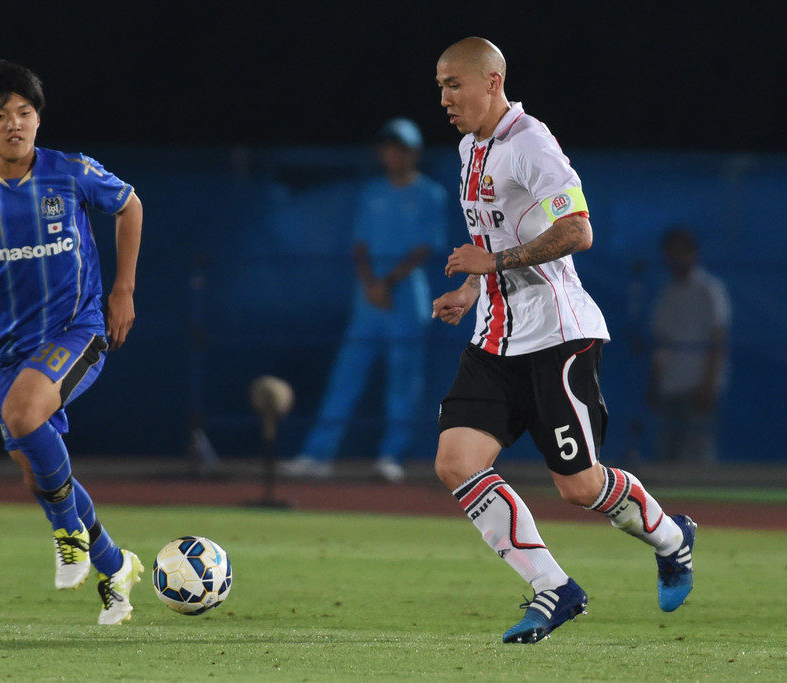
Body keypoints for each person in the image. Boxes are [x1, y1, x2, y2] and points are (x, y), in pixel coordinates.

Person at [431, 37, 696, 644]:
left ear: (492, 82)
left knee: (579, 485)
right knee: (456, 462)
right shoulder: (471, 147)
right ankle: (556, 589)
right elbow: (491, 234)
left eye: (454, 84)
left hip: (557, 336)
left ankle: (673, 538)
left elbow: (578, 230)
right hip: (496, 340)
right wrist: (472, 289)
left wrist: (494, 264)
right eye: (440, 86)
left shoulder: (532, 143)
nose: (444, 98)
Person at [0, 60, 144, 625]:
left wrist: (123, 289)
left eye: (25, 112)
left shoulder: (70, 172)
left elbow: (130, 205)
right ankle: (115, 566)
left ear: (39, 118)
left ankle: (68, 532)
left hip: (77, 330)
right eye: (1, 115)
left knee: (23, 416)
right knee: (34, 471)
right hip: (10, 349)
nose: (15, 124)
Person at [280, 119, 447, 483]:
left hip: (405, 299)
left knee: (403, 382)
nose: (393, 154)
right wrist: (372, 285)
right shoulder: (371, 192)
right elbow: (360, 245)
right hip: (369, 299)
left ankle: (391, 457)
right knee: (345, 377)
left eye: (401, 147)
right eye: (388, 147)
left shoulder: (430, 194)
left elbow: (424, 247)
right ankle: (316, 455)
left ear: (414, 153)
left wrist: (386, 283)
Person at [649, 227, 731, 462]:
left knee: (697, 454)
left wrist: (709, 383)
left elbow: (718, 339)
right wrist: (654, 384)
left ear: (693, 253)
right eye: (670, 253)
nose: (675, 258)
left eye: (680, 252)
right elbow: (661, 342)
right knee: (666, 452)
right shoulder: (667, 292)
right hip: (669, 386)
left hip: (698, 386)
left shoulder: (709, 289)